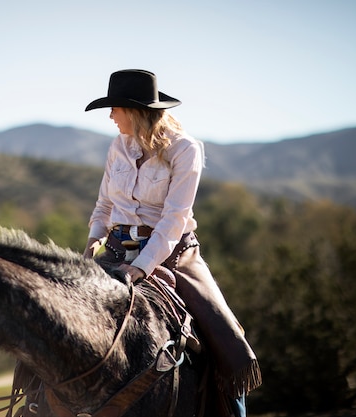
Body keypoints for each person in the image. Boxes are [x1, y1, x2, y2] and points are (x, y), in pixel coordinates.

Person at [82, 69, 261, 417]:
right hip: (115, 249)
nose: (110, 116)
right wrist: (94, 240)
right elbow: (105, 204)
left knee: (227, 340)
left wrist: (140, 268)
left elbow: (174, 219)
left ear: (134, 111)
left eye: (114, 108)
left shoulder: (185, 149)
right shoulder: (118, 146)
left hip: (174, 255)